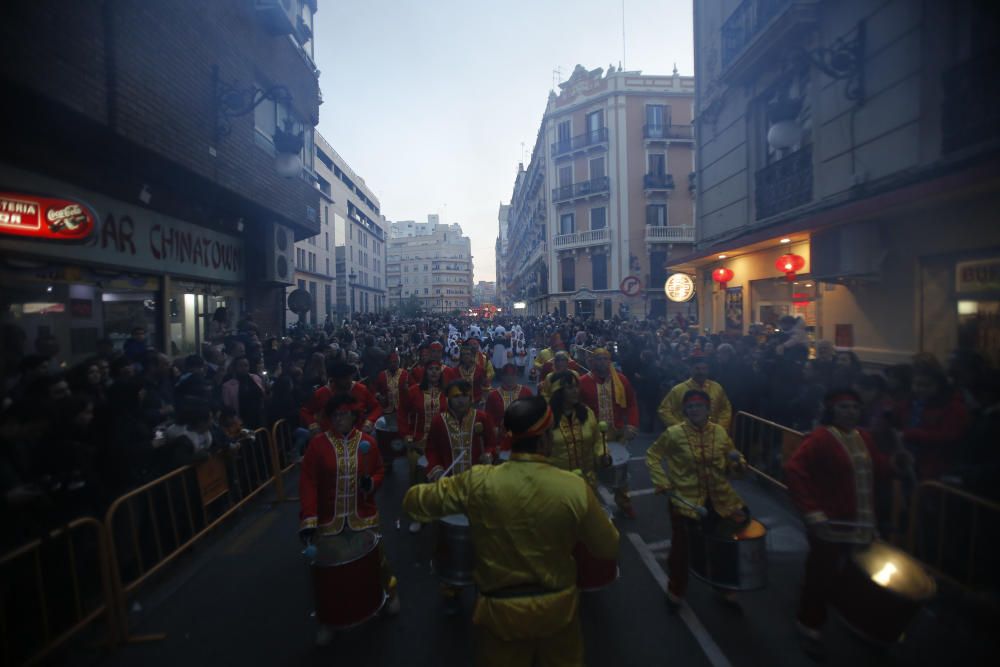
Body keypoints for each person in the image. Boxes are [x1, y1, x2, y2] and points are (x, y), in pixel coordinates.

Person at [403, 395, 619, 667]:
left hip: (498, 614)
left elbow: (413, 502)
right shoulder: (573, 488)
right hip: (558, 612)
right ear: (543, 440)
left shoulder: (478, 481)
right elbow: (608, 547)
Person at [784, 389, 906, 658]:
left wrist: (895, 464)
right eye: (844, 408)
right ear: (833, 411)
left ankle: (850, 616)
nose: (850, 412)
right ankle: (809, 624)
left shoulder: (864, 437)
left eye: (854, 407)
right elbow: (795, 470)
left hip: (861, 522)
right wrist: (812, 512)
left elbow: (876, 466)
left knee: (853, 574)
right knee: (821, 574)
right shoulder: (821, 438)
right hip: (830, 523)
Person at [298, 395, 399, 645]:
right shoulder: (318, 445)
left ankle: (389, 593)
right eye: (335, 415)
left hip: (362, 514)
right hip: (329, 518)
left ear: (354, 416)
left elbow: (378, 470)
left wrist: (371, 483)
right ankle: (328, 618)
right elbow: (308, 482)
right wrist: (309, 519)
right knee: (328, 572)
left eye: (344, 414)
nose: (340, 419)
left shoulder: (367, 443)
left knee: (378, 559)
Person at [646, 390, 748, 610]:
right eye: (690, 407)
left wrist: (738, 462)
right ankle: (676, 590)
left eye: (699, 406)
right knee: (682, 549)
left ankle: (725, 587)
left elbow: (734, 461)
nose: (694, 410)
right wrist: (662, 482)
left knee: (725, 546)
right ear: (685, 411)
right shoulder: (673, 433)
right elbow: (652, 456)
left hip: (720, 500)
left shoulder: (720, 432)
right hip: (686, 502)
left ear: (708, 409)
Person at [579, 348, 639, 518]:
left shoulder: (621, 380)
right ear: (592, 361)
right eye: (598, 358)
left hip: (618, 432)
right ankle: (592, 508)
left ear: (610, 361)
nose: (602, 362)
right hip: (593, 436)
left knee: (620, 471)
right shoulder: (583, 382)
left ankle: (624, 502)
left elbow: (632, 403)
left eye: (605, 358)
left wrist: (632, 425)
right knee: (591, 473)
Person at [399, 360, 447, 533]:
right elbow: (403, 413)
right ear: (425, 372)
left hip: (441, 443)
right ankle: (418, 515)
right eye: (431, 369)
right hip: (417, 442)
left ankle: (438, 511)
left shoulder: (446, 393)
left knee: (440, 478)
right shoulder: (413, 391)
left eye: (437, 370)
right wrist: (406, 435)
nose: (434, 372)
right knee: (417, 479)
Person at [548, 371, 605, 490]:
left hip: (587, 482)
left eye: (576, 386)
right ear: (558, 392)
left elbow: (597, 441)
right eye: (569, 388)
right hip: (556, 486)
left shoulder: (587, 412)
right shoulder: (545, 418)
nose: (576, 391)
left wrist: (603, 455)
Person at [300, 361, 381, 436]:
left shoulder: (361, 389)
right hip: (330, 437)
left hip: (357, 435)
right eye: (344, 378)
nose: (349, 381)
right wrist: (314, 426)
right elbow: (305, 411)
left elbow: (377, 407)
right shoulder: (322, 393)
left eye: (350, 377)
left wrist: (369, 422)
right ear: (334, 379)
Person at [658, 355, 733, 432]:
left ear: (708, 370)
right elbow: (664, 410)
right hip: (685, 436)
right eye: (697, 369)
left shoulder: (717, 387)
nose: (701, 372)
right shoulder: (678, 389)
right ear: (691, 369)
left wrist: (720, 427)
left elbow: (725, 408)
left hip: (713, 434)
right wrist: (679, 427)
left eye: (704, 369)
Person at [485, 364, 533, 453]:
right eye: (506, 375)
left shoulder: (527, 392)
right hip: (501, 437)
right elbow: (488, 416)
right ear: (502, 377)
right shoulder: (493, 395)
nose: (509, 378)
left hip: (523, 436)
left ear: (517, 376)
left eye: (512, 375)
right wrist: (493, 429)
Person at [221, 356, 266, 430]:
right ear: (235, 367)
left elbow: (262, 394)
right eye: (241, 365)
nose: (244, 368)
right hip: (241, 420)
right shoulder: (227, 386)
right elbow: (228, 407)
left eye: (246, 365)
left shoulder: (256, 378)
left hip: (259, 416)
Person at [444, 341, 489, 406]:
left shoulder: (480, 370)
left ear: (472, 356)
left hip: (477, 402)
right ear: (461, 357)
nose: (466, 356)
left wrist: (484, 399)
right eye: (463, 354)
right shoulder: (454, 371)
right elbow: (451, 388)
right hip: (459, 404)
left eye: (468, 354)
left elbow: (486, 386)